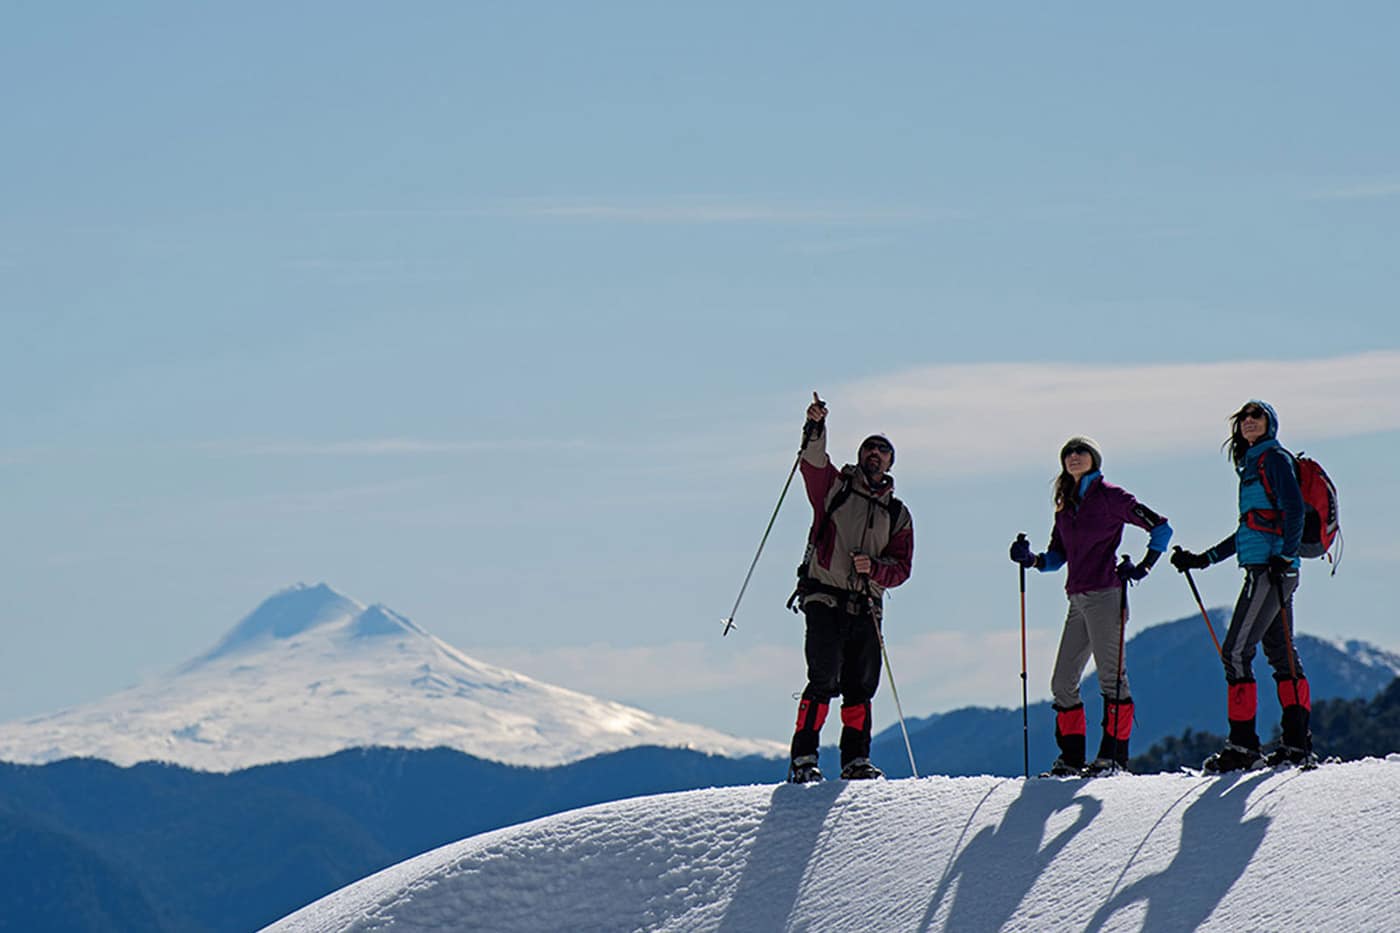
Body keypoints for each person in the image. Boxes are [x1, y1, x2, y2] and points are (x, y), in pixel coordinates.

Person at [1009, 436, 1171, 776]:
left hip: (1106, 596)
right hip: (1077, 598)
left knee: (1111, 680)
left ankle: (1113, 758)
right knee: (1062, 681)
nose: (1073, 456)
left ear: (1094, 459)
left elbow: (1161, 528)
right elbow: (1057, 557)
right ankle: (1071, 759)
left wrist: (1143, 567)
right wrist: (1032, 560)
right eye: (1068, 453)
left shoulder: (1112, 497)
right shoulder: (1065, 506)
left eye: (1081, 451)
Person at [1170, 400, 1316, 771]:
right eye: (1244, 417)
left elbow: (1294, 509)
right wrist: (1203, 559)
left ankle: (1243, 746)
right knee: (1281, 655)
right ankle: (1297, 744)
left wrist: (1283, 556)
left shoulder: (1274, 459)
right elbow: (1251, 528)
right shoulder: (1253, 465)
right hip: (1272, 567)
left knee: (1234, 652)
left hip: (1270, 571)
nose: (1249, 421)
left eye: (1257, 416)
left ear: (1270, 424)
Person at [787, 393, 913, 783]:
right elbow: (812, 461)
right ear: (861, 457)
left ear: (891, 462)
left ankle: (855, 762)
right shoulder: (835, 488)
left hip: (865, 605)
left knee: (860, 686)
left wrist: (873, 569)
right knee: (823, 677)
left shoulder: (897, 513)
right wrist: (816, 425)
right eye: (869, 449)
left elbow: (902, 567)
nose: (875, 454)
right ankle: (804, 759)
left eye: (883, 450)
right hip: (824, 596)